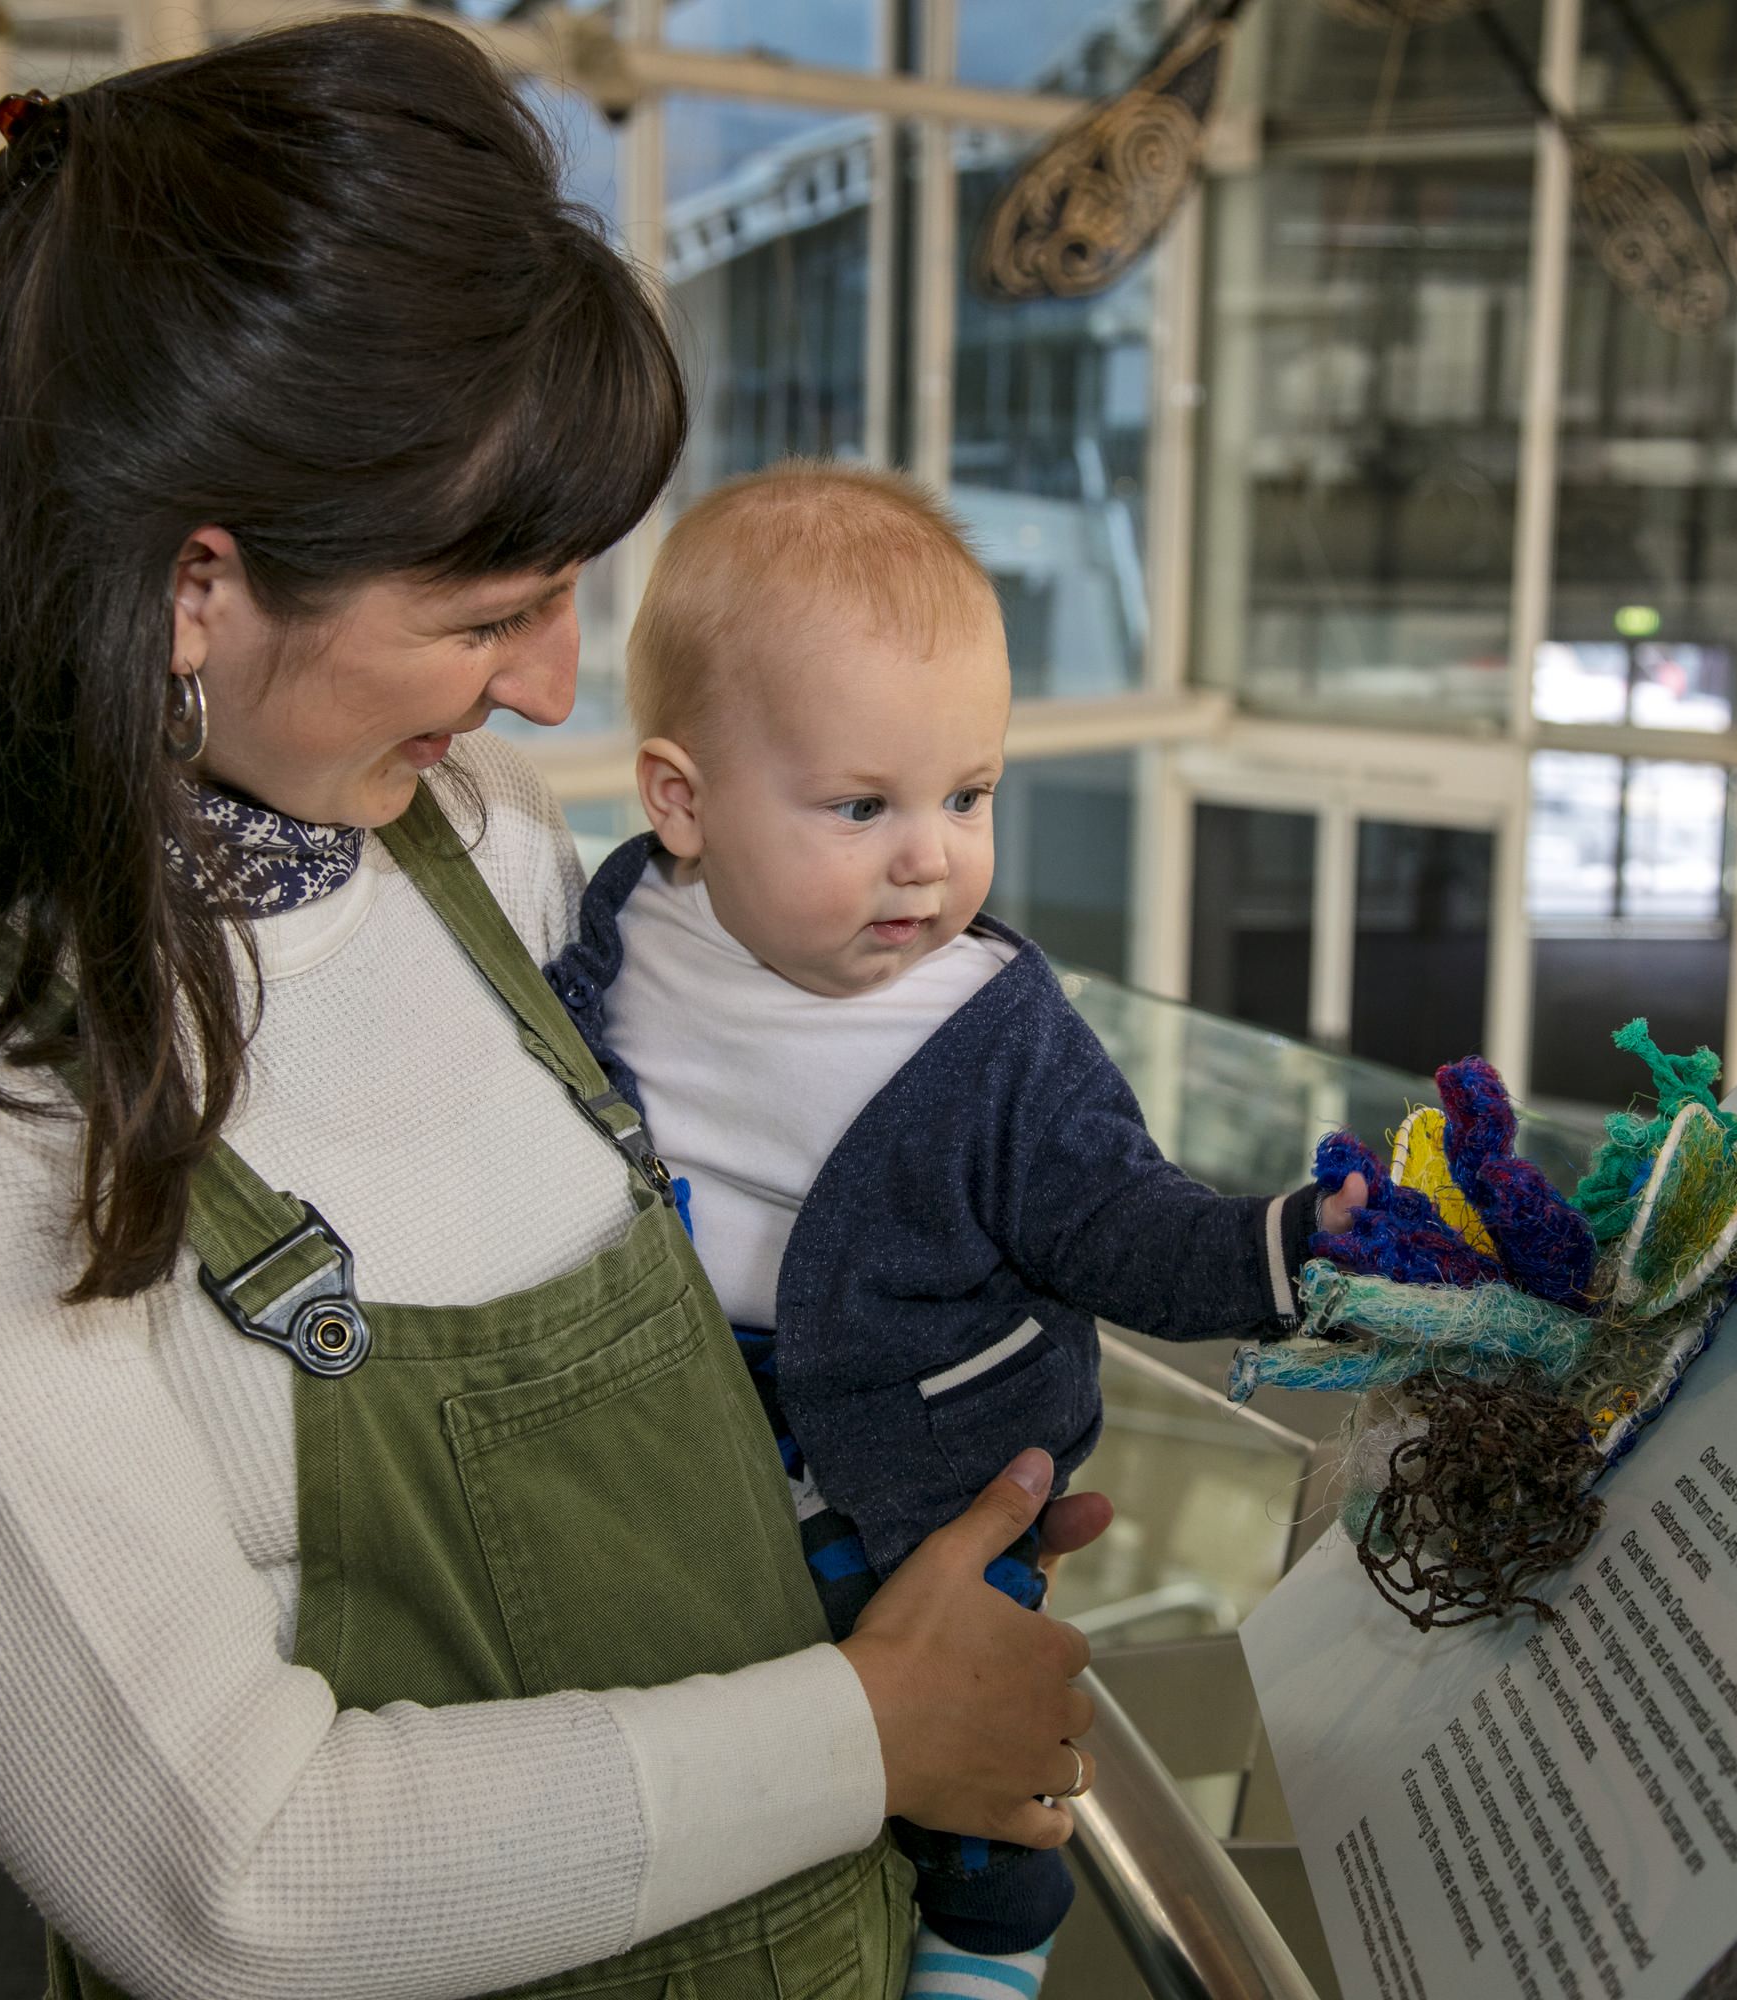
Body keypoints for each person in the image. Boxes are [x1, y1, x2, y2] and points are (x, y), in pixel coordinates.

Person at [0, 21, 1104, 2000]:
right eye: (488, 611)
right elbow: (230, 1883)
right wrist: (872, 1728)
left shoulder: (474, 845)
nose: (551, 691)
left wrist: (885, 1482)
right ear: (194, 590)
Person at [544, 463, 1370, 1994]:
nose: (929, 856)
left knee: (983, 1758)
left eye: (968, 796)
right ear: (682, 803)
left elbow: (1124, 1222)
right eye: (861, 806)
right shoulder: (619, 933)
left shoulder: (993, 1031)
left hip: (931, 1465)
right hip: (679, 1420)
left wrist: (1289, 1245)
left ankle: (990, 1958)